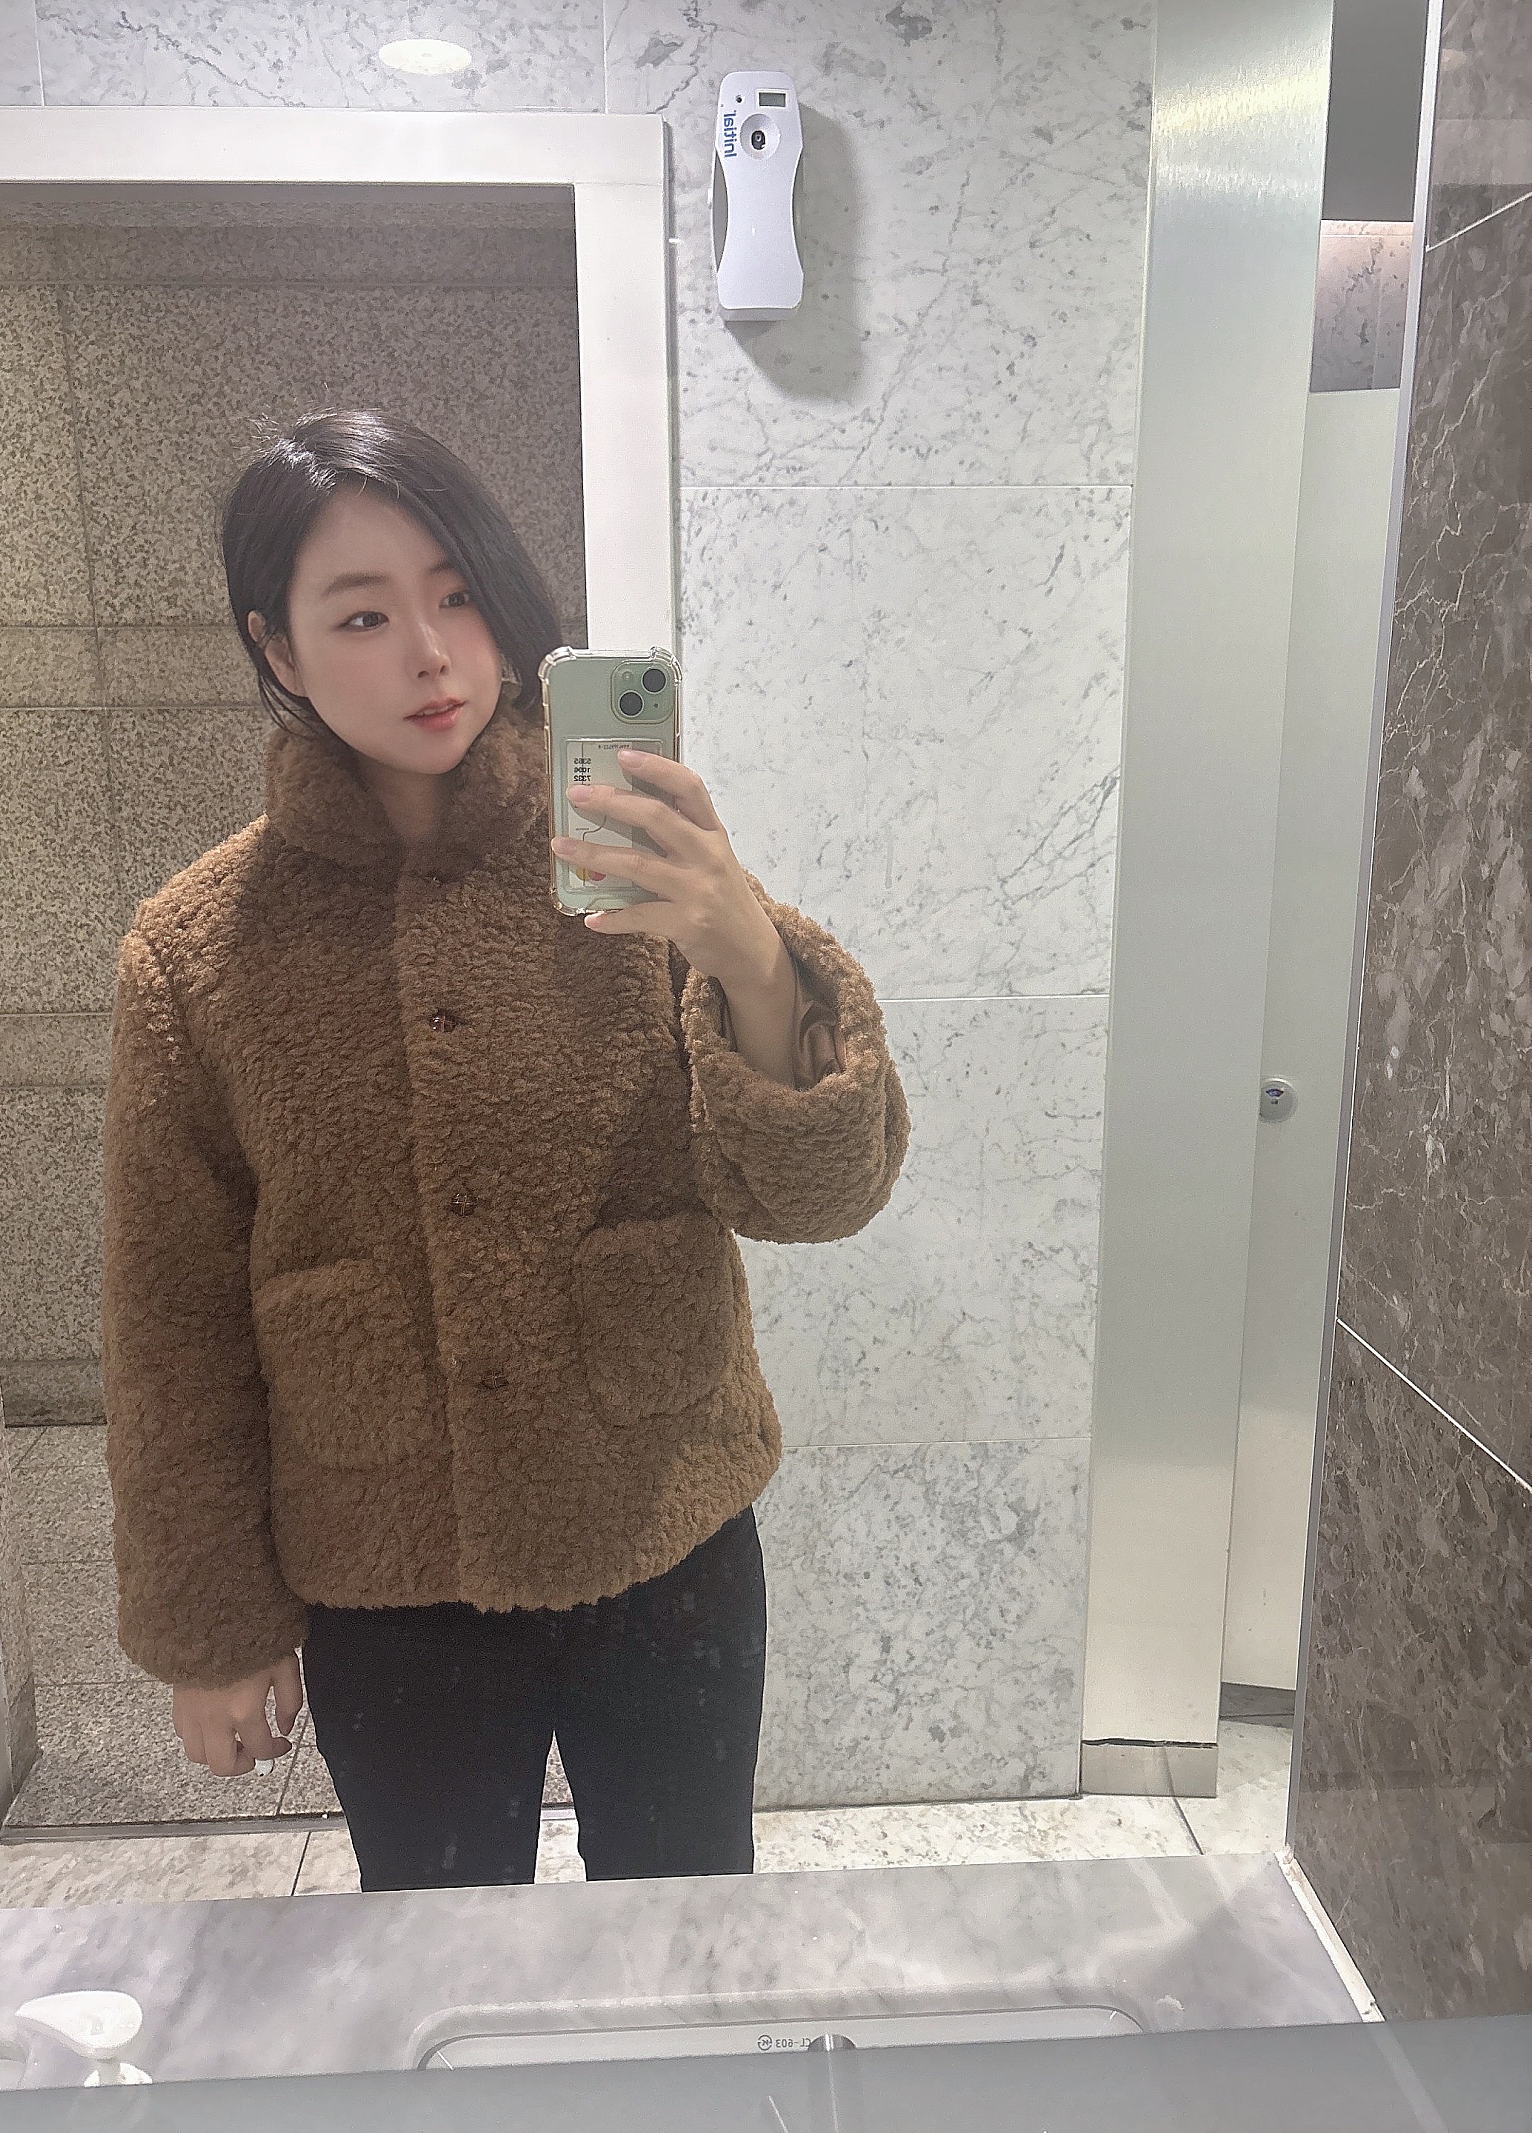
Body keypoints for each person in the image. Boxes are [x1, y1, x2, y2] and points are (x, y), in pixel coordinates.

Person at [101, 409, 911, 1892]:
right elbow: (172, 1325)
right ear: (278, 649)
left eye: (459, 592)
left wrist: (744, 946)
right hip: (384, 1560)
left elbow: (824, 1193)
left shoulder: (638, 867)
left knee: (683, 1937)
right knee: (434, 1952)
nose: (431, 652)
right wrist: (212, 1633)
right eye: (362, 614)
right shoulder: (200, 951)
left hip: (660, 1521)